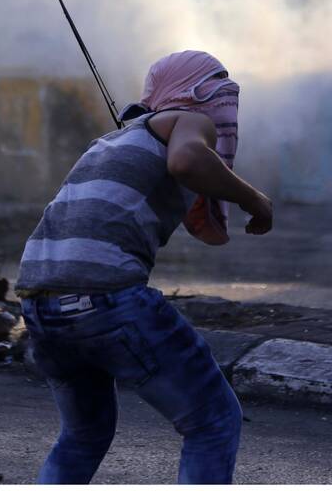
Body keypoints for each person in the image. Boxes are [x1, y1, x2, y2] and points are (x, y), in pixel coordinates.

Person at [15, 50, 273, 484]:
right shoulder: (188, 119)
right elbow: (187, 161)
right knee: (212, 419)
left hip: (39, 305)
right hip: (106, 298)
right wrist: (254, 200)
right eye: (219, 86)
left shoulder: (110, 141)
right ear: (192, 94)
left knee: (83, 435)